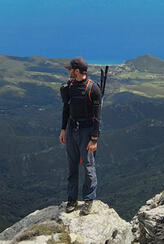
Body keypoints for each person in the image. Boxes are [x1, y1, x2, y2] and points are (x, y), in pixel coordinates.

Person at [59, 56, 102, 215]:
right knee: (72, 166)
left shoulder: (93, 89)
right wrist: (63, 129)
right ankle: (72, 199)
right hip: (72, 129)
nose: (68, 71)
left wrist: (94, 139)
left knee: (88, 166)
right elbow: (66, 109)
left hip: (87, 132)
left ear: (76, 71)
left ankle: (89, 199)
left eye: (70, 69)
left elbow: (97, 117)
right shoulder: (70, 87)